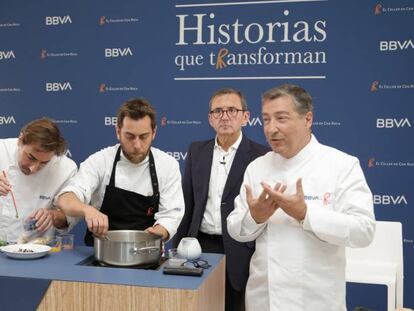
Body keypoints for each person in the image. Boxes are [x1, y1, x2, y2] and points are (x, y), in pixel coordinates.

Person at [227, 84, 376, 311]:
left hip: (316, 300)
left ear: (307, 119)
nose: (271, 129)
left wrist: (305, 214)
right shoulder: (257, 167)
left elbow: (363, 231)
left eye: (281, 118)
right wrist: (255, 217)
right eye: (266, 119)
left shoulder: (341, 165)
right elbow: (236, 229)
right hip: (263, 299)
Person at [173, 88, 269, 311]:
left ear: (246, 117)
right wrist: (177, 249)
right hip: (200, 245)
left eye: (232, 110)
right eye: (218, 111)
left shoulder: (261, 156)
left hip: (241, 248)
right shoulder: (197, 150)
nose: (224, 116)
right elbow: (187, 203)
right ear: (210, 118)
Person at [56, 98, 184, 245]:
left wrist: (157, 232)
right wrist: (87, 210)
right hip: (100, 253)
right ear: (118, 131)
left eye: (143, 137)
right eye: (130, 136)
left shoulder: (167, 165)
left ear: (154, 133)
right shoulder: (100, 161)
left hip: (145, 250)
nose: (137, 145)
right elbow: (66, 198)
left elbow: (171, 214)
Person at [0, 118, 77, 243]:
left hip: (35, 250)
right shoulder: (1, 150)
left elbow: (67, 219)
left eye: (44, 163)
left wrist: (52, 216)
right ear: (20, 140)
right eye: (31, 157)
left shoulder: (65, 169)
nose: (33, 168)